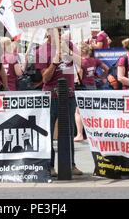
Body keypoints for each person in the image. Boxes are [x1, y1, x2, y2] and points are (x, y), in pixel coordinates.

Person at [35, 28, 83, 177]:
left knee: (68, 131)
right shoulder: (42, 50)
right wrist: (55, 62)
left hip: (68, 95)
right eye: (57, 30)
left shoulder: (68, 45)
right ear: (49, 32)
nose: (60, 33)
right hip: (51, 96)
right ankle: (49, 165)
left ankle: (71, 164)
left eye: (62, 30)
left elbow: (81, 62)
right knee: (48, 132)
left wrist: (66, 51)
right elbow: (45, 78)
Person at [74, 43, 108, 142]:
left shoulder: (81, 61)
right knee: (92, 111)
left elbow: (79, 75)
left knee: (78, 111)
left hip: (83, 87)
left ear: (82, 51)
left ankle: (80, 134)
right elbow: (106, 68)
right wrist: (102, 77)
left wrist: (76, 82)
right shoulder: (94, 60)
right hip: (93, 87)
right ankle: (94, 133)